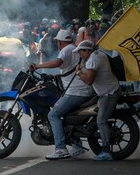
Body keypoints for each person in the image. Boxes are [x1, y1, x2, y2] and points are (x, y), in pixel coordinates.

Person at [29, 30, 93, 160]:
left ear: (60, 42)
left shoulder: (66, 50)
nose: (57, 44)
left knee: (53, 114)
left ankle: (60, 148)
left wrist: (37, 66)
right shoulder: (74, 48)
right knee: (65, 115)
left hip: (76, 92)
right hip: (82, 90)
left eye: (57, 42)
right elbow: (68, 69)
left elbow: (57, 63)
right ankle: (77, 145)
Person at [74, 40, 120, 161]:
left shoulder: (93, 59)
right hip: (106, 91)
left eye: (80, 52)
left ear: (87, 51)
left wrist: (78, 72)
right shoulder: (98, 54)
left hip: (108, 93)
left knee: (101, 120)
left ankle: (106, 151)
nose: (79, 54)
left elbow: (89, 81)